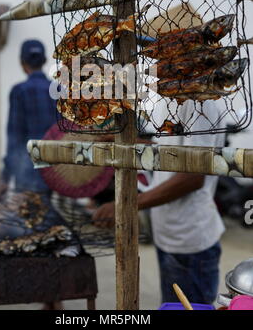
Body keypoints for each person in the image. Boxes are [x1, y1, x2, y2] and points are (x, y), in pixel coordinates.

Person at [92, 100, 226, 305]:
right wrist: (126, 144)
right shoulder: (171, 102)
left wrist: (124, 206)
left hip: (190, 241)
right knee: (171, 305)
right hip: (168, 235)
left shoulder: (201, 104)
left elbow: (193, 177)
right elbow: (166, 150)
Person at [0, 40, 57, 193]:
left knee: (31, 214)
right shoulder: (58, 89)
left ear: (22, 63)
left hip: (29, 173)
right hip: (58, 173)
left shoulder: (20, 91)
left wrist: (5, 176)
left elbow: (15, 137)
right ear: (44, 60)